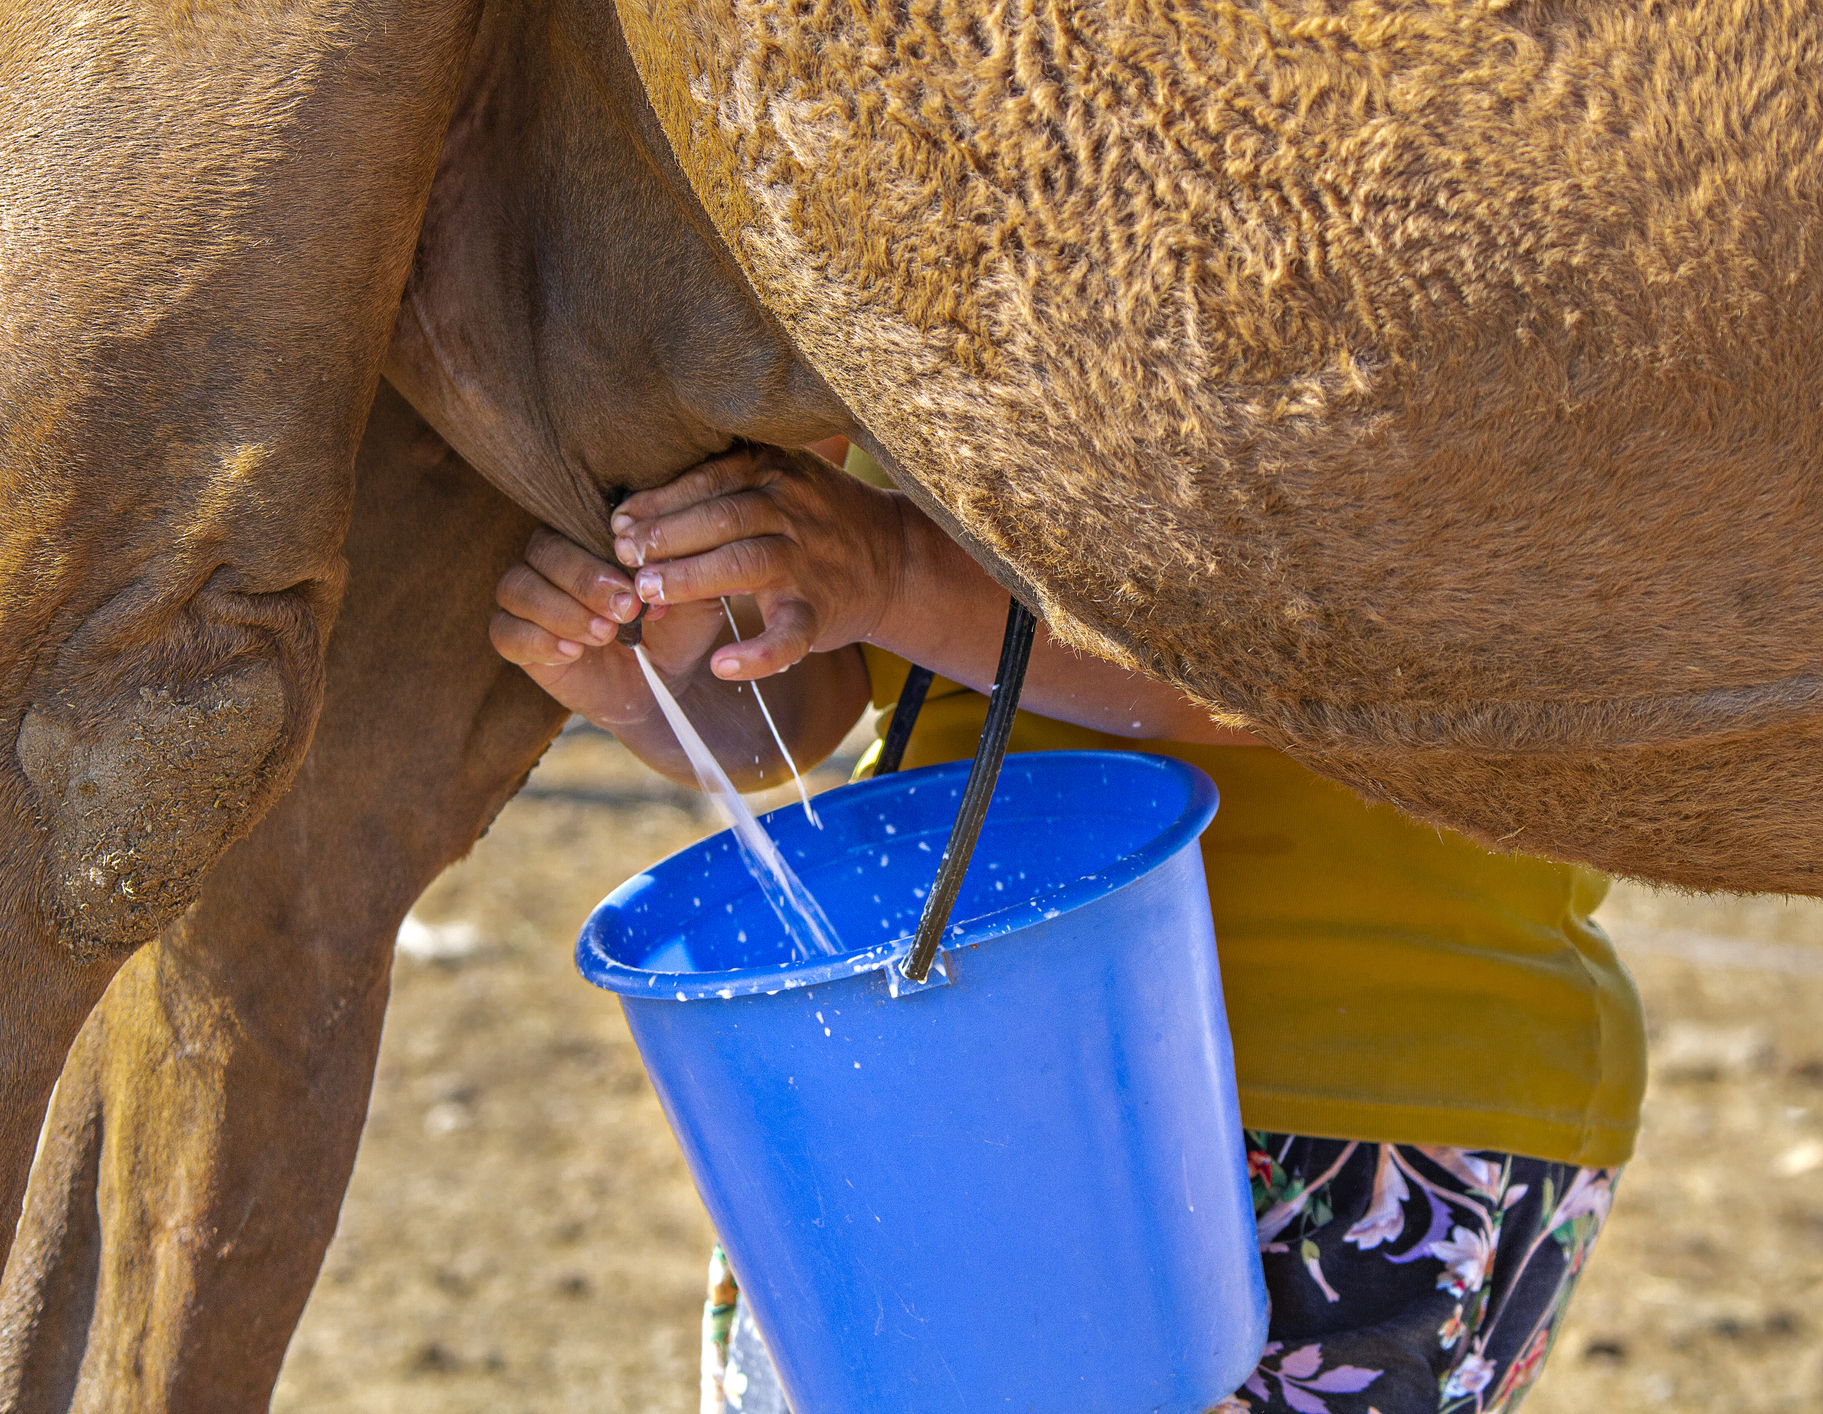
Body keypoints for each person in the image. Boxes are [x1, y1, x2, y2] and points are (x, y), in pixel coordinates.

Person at [490, 441, 1646, 1414]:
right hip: (909, 1087)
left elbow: (1389, 655)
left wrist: (894, 565)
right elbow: (837, 693)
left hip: (1337, 1098)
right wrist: (660, 679)